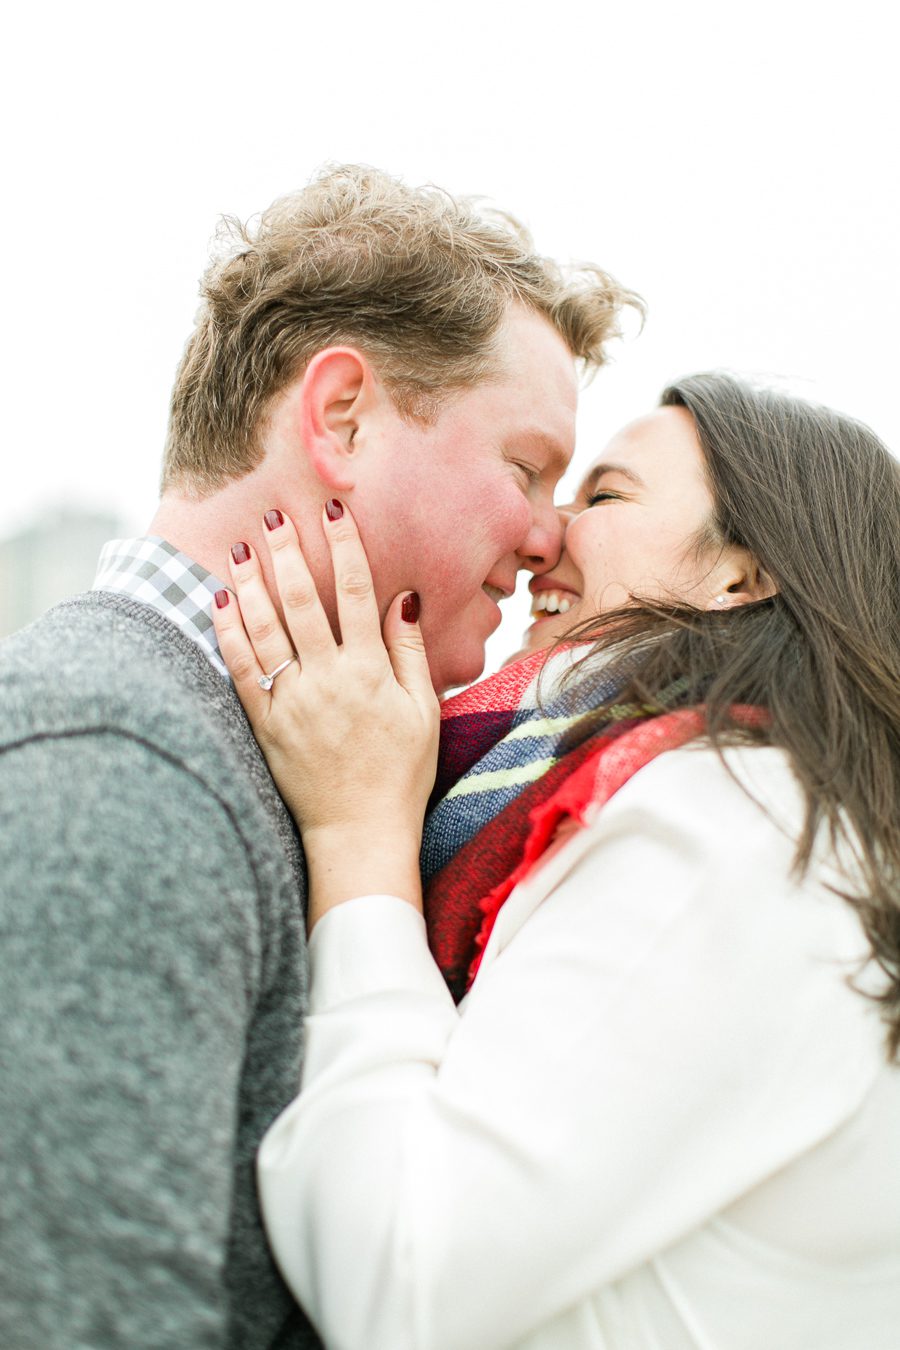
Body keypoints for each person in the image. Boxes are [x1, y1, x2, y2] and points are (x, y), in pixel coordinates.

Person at [0, 165, 637, 1348]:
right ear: (340, 416)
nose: (551, 538)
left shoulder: (289, 764)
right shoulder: (116, 756)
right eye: (526, 468)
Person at [212, 372, 900, 1349]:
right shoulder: (723, 803)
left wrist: (359, 835)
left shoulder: (731, 823)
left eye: (605, 495)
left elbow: (405, 1285)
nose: (545, 534)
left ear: (742, 577)